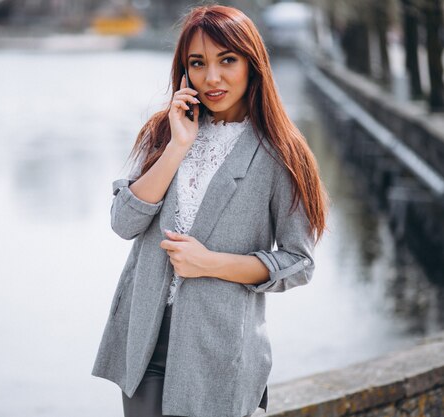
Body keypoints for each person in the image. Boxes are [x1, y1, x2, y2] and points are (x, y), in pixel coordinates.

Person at [92, 5, 329, 417]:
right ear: (184, 71)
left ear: (253, 63)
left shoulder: (282, 154)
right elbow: (124, 223)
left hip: (217, 351)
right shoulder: (163, 131)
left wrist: (210, 263)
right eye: (197, 63)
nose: (212, 78)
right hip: (142, 340)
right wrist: (177, 146)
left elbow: (299, 262)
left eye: (227, 60)